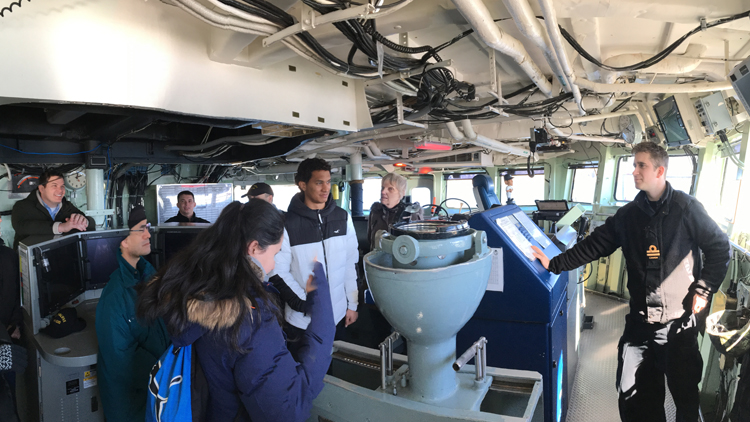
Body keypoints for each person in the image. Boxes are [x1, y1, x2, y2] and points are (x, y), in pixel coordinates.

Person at [530, 142, 731, 422]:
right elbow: (595, 245)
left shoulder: (687, 209)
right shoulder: (628, 216)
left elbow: (721, 248)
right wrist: (555, 263)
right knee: (634, 400)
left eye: (641, 165)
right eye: (633, 165)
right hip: (640, 326)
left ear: (659, 170)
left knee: (686, 400)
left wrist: (703, 289)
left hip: (678, 325)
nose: (634, 171)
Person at [136, 200, 335, 422]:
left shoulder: (194, 288)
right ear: (253, 248)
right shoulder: (249, 318)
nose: (272, 266)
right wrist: (323, 317)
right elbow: (287, 411)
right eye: (275, 254)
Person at [271, 158, 358, 354]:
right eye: (319, 182)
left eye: (328, 182)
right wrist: (307, 305)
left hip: (337, 316)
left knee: (334, 372)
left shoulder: (342, 217)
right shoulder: (287, 224)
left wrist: (352, 304)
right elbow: (278, 272)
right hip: (303, 321)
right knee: (305, 377)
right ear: (302, 185)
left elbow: (349, 262)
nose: (326, 188)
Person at [96, 206, 169, 422]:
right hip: (131, 406)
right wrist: (168, 369)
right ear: (123, 241)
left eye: (147, 227)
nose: (148, 233)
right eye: (140, 229)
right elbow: (123, 366)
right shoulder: (115, 297)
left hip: (154, 393)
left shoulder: (149, 275)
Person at [11, 169, 95, 249]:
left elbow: (90, 223)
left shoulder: (67, 206)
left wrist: (84, 221)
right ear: (42, 189)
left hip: (60, 258)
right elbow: (22, 227)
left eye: (62, 186)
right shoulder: (22, 206)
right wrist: (61, 227)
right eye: (54, 185)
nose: (60, 190)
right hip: (30, 259)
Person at [366, 172, 423, 251]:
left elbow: (417, 244)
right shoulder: (376, 211)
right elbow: (370, 239)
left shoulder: (411, 214)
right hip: (377, 259)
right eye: (383, 188)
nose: (383, 192)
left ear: (401, 193)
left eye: (390, 189)